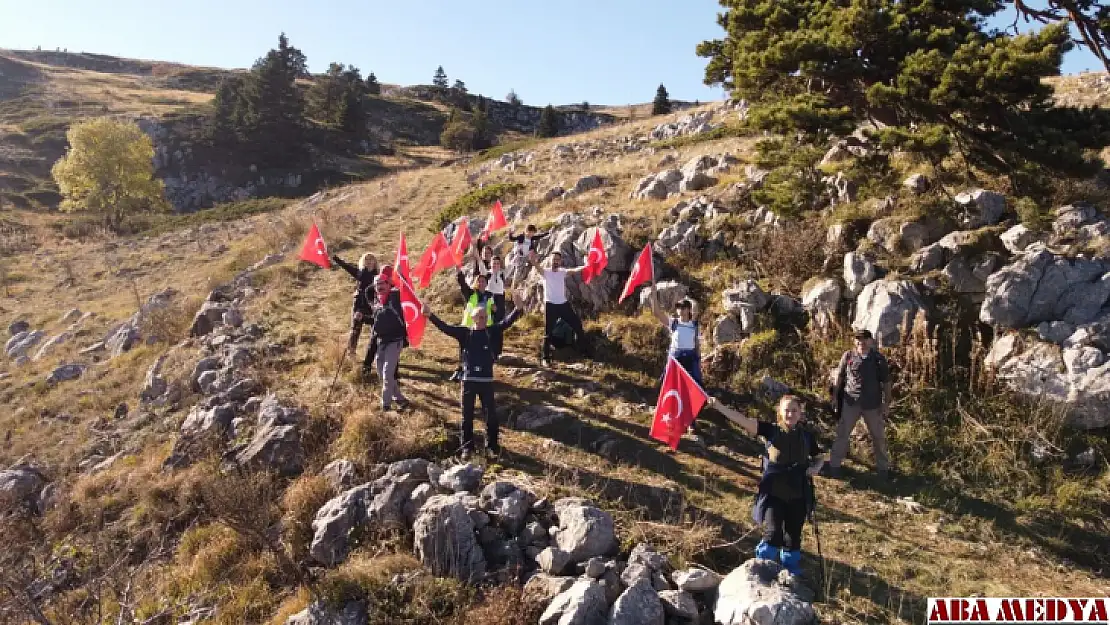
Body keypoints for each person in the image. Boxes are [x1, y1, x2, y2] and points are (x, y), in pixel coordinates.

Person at [707, 394, 825, 576]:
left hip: (799, 493)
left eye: (794, 410)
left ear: (801, 413)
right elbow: (743, 421)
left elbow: (819, 457)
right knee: (774, 533)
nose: (790, 414)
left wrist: (815, 468)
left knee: (793, 536)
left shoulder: (807, 437)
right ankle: (761, 568)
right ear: (779, 412)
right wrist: (720, 406)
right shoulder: (771, 430)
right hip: (774, 492)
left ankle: (789, 573)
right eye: (787, 410)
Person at [424, 289, 526, 460]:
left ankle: (492, 447)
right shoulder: (465, 333)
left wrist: (518, 309)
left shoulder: (491, 331)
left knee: (491, 416)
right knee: (467, 417)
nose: (482, 320)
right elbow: (446, 328)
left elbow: (506, 323)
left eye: (484, 317)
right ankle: (467, 448)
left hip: (486, 381)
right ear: (472, 318)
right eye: (479, 317)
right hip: (468, 381)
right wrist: (430, 315)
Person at [823, 329, 892, 479]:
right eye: (858, 339)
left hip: (873, 405)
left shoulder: (878, 359)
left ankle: (883, 470)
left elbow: (886, 382)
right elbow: (840, 377)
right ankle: (834, 466)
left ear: (871, 341)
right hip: (851, 402)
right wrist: (835, 396)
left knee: (878, 437)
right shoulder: (848, 356)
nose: (861, 342)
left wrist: (886, 403)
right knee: (842, 434)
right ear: (855, 341)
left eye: (865, 339)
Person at [526, 250, 587, 367]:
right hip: (550, 305)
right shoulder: (546, 272)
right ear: (550, 260)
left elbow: (573, 271)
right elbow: (537, 267)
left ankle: (583, 351)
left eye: (558, 260)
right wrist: (532, 261)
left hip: (563, 304)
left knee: (577, 325)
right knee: (548, 332)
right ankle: (545, 358)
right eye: (554, 259)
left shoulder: (562, 272)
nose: (556, 261)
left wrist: (585, 266)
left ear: (560, 261)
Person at [368, 270, 410, 412]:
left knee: (387, 373)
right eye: (377, 284)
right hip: (381, 341)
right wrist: (362, 317)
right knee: (382, 374)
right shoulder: (376, 301)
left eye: (382, 283)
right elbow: (376, 321)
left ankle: (385, 405)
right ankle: (400, 399)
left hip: (395, 341)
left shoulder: (395, 297)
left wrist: (399, 277)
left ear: (388, 284)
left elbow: (404, 288)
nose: (379, 286)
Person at [648, 284, 703, 388]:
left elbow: (696, 342)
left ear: (688, 310)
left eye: (683, 307)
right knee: (669, 382)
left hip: (690, 357)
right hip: (676, 356)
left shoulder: (694, 324)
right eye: (678, 307)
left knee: (695, 382)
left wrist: (698, 358)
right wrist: (653, 296)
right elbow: (657, 313)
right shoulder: (673, 323)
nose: (680, 309)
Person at [449, 271, 497, 381]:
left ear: (486, 283)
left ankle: (481, 371)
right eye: (478, 281)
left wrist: (494, 308)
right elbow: (462, 284)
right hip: (468, 327)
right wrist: (459, 272)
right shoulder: (470, 294)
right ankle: (460, 370)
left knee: (481, 350)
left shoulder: (490, 295)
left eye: (483, 281)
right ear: (476, 283)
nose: (481, 283)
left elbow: (493, 309)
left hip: (484, 327)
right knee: (464, 350)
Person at [330, 252, 378, 352]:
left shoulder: (378, 276)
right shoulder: (360, 273)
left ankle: (375, 353)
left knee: (376, 330)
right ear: (363, 262)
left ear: (375, 262)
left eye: (371, 259)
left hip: (372, 306)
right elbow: (346, 266)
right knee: (355, 329)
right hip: (359, 305)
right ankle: (351, 352)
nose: (369, 261)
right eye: (366, 259)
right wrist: (335, 258)